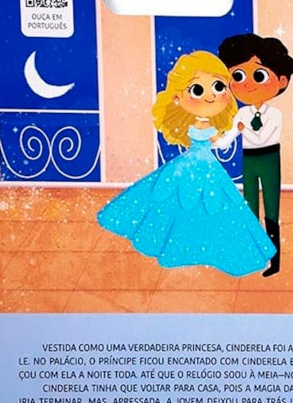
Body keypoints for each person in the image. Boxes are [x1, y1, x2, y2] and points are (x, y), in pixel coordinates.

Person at [97, 51, 276, 275]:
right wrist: (236, 131)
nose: (210, 97)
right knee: (183, 203)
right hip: (199, 166)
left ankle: (197, 245)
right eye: (198, 90)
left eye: (218, 87)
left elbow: (220, 143)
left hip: (199, 166)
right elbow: (221, 143)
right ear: (177, 98)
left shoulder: (207, 125)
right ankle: (185, 245)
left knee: (206, 205)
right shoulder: (201, 126)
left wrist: (235, 131)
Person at [217, 33, 293, 277]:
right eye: (238, 76)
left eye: (259, 76)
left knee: (271, 210)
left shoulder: (275, 115)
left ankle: (275, 261)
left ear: (281, 81)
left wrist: (245, 128)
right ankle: (253, 255)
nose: (248, 85)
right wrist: (212, 141)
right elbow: (228, 139)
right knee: (249, 207)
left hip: (269, 159)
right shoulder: (241, 115)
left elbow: (263, 135)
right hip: (249, 160)